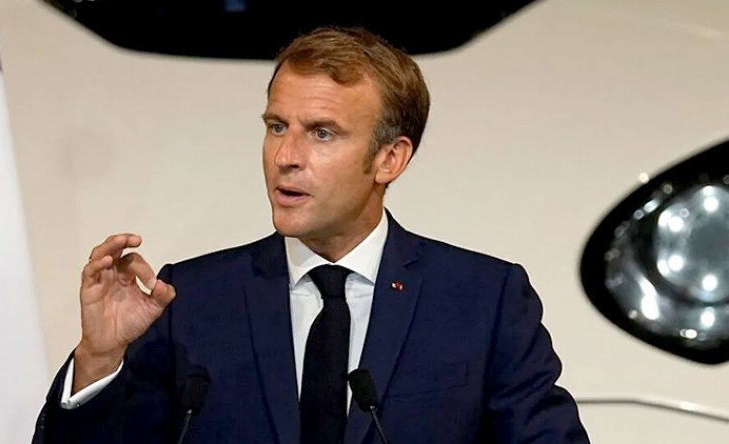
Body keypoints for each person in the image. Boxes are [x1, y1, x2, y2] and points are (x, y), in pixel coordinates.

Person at [32, 26, 590, 443]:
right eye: (277, 127)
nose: (286, 156)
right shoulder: (191, 299)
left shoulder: (482, 300)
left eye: (322, 133)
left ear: (390, 159)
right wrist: (99, 359)